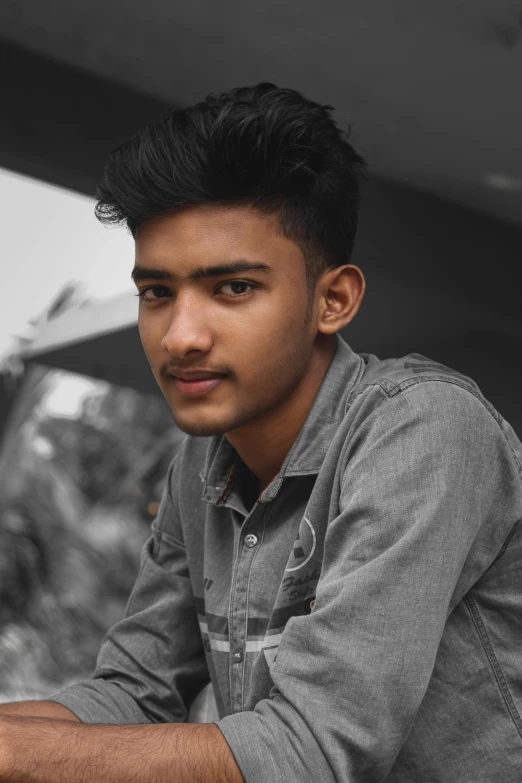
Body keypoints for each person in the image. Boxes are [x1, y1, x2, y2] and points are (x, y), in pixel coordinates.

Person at [1, 82, 521, 782]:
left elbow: (310, 749)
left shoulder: (424, 429)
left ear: (333, 299)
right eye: (157, 292)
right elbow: (136, 691)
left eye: (233, 288)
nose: (181, 335)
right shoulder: (201, 464)